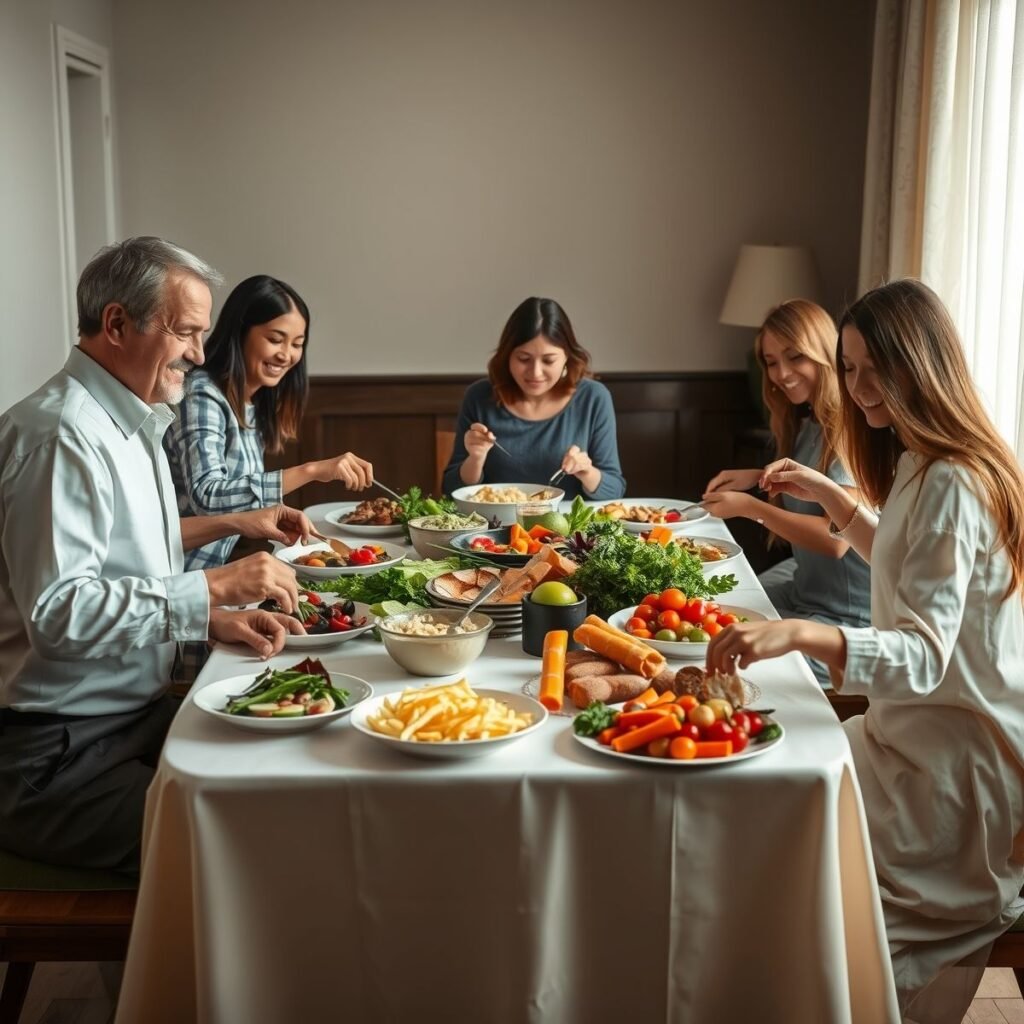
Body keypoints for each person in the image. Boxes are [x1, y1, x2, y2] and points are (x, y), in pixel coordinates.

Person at [706, 280, 1024, 1022]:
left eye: (877, 368)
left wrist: (800, 633)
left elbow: (923, 657)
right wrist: (834, 496)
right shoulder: (923, 459)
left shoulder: (954, 481)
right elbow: (901, 562)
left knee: (799, 848)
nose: (860, 387)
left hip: (956, 761)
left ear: (925, 363)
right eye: (849, 369)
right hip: (909, 733)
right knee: (780, 797)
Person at [0, 237, 308, 874]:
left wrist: (210, 619)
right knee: (257, 842)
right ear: (117, 324)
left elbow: (131, 565)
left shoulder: (133, 419)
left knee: (289, 770)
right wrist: (211, 590)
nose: (199, 354)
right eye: (187, 332)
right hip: (53, 759)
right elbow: (60, 617)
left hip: (125, 722)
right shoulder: (61, 436)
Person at [702, 299, 870, 686]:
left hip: (847, 617)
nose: (782, 374)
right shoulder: (809, 420)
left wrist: (749, 507)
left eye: (795, 358)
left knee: (730, 653)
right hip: (806, 591)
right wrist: (759, 475)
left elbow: (835, 541)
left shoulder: (847, 427)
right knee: (709, 618)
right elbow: (815, 482)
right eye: (772, 362)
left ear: (824, 353)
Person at [164, 274, 374, 572]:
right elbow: (207, 495)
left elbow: (236, 500)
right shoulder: (200, 393)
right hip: (176, 577)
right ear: (240, 332)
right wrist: (313, 470)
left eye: (297, 344)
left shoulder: (253, 402)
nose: (286, 355)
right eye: (275, 339)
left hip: (211, 573)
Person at [441, 297, 626, 500]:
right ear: (507, 356)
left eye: (548, 360)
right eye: (524, 359)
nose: (535, 372)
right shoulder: (479, 396)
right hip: (495, 526)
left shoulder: (594, 398)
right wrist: (476, 458)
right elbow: (450, 488)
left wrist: (587, 472)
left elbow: (615, 490)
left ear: (567, 358)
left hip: (567, 528)